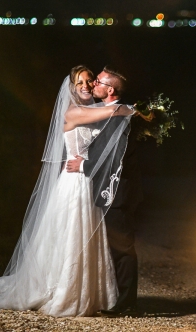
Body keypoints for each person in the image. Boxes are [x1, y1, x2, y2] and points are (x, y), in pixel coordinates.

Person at [0, 66, 139, 317]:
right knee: (69, 238)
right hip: (73, 182)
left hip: (90, 182)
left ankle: (94, 293)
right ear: (71, 87)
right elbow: (115, 108)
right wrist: (137, 109)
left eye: (91, 80)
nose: (87, 85)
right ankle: (64, 292)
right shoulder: (73, 112)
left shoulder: (93, 110)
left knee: (89, 240)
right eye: (81, 82)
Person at [66, 66, 152, 317]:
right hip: (105, 190)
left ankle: (126, 303)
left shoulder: (120, 118)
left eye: (99, 82)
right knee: (112, 247)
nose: (94, 85)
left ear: (110, 89)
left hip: (118, 193)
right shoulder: (112, 112)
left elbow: (115, 159)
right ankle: (113, 296)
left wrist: (83, 164)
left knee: (122, 248)